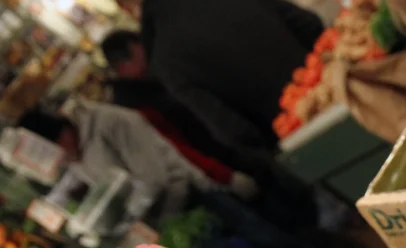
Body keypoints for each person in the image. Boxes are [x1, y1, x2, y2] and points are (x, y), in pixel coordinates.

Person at [132, 0, 323, 153]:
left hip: (298, 137)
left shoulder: (164, 58)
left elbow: (231, 130)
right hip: (337, 88)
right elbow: (309, 24)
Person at [100, 30, 256, 196]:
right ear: (123, 66)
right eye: (141, 50)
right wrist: (226, 177)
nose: (148, 53)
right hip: (216, 172)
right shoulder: (134, 108)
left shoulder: (150, 80)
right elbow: (175, 148)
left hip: (227, 152)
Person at [18, 101, 223, 221]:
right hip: (164, 214)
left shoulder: (109, 123)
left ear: (61, 134)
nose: (63, 161)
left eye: (59, 153)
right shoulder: (73, 155)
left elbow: (157, 177)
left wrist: (133, 221)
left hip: (196, 199)